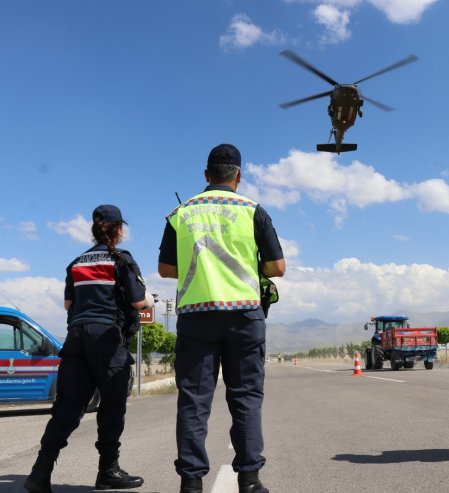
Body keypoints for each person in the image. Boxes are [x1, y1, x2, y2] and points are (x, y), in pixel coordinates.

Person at [158, 143, 285, 493]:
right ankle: (250, 481)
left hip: (197, 318)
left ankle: (192, 483)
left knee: (194, 402)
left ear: (206, 175)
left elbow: (165, 268)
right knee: (245, 399)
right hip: (245, 315)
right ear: (238, 176)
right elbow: (277, 267)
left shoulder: (182, 212)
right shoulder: (253, 211)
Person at [25, 205, 153, 493]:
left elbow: (69, 305)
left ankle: (40, 471)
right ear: (118, 229)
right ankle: (108, 470)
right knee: (112, 405)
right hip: (106, 337)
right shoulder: (121, 259)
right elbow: (137, 302)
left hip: (76, 338)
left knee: (67, 407)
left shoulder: (76, 262)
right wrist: (150, 302)